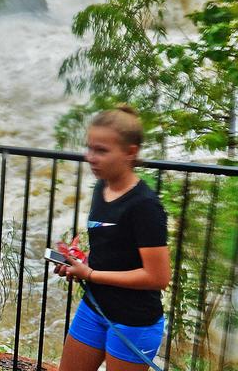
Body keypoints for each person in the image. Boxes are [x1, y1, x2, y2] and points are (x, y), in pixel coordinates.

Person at [54, 105, 170, 371]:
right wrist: (78, 263)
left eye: (101, 151)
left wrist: (91, 274)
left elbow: (158, 277)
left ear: (130, 153)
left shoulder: (145, 206)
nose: (90, 157)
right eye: (90, 148)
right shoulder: (101, 187)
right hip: (95, 308)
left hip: (134, 322)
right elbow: (111, 252)